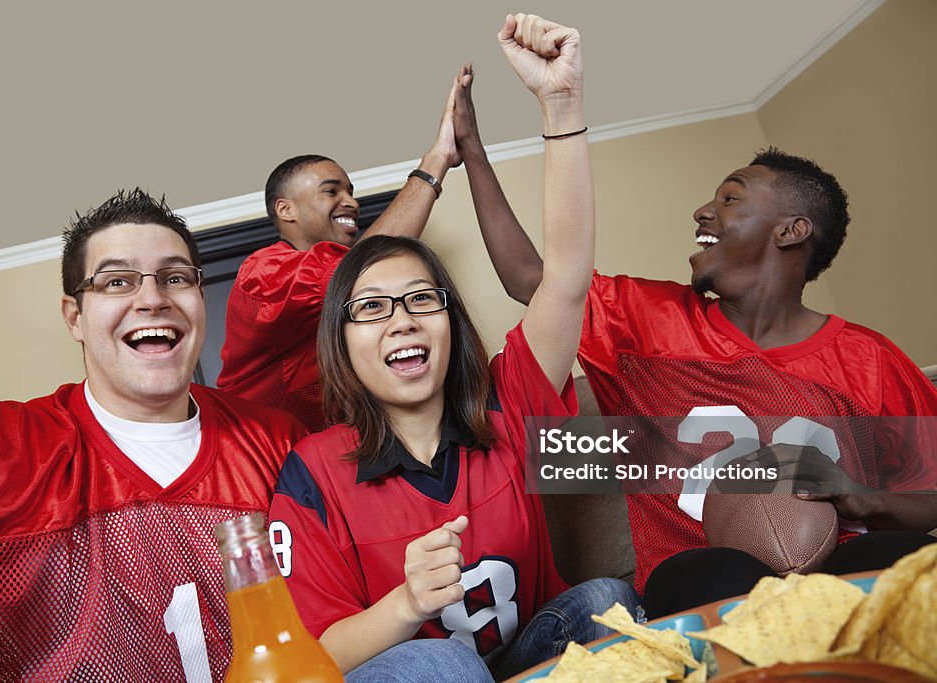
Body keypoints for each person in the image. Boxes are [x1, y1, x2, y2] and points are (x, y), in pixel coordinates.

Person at [453, 79, 937, 615]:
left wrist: (861, 498)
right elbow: (530, 278)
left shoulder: (868, 359)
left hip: (844, 561)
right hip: (700, 573)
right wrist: (474, 153)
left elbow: (930, 494)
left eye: (729, 198)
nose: (703, 211)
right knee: (716, 574)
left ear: (791, 230)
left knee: (910, 562)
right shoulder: (641, 320)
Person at [267, 15, 640, 682]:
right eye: (373, 308)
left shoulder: (506, 406)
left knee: (606, 600)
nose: (403, 320)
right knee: (440, 661)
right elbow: (310, 659)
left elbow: (565, 283)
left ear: (451, 322)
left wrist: (562, 105)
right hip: (409, 671)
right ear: (342, 343)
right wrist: (407, 602)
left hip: (521, 660)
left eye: (421, 299)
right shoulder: (312, 472)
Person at [0, 145, 306, 681]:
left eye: (175, 277)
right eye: (118, 281)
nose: (152, 299)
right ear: (75, 317)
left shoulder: (279, 440)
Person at [217, 70, 465, 433]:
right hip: (255, 458)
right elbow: (359, 271)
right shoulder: (262, 273)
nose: (351, 202)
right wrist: (437, 159)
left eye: (351, 192)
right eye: (331, 191)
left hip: (338, 453)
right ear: (286, 210)